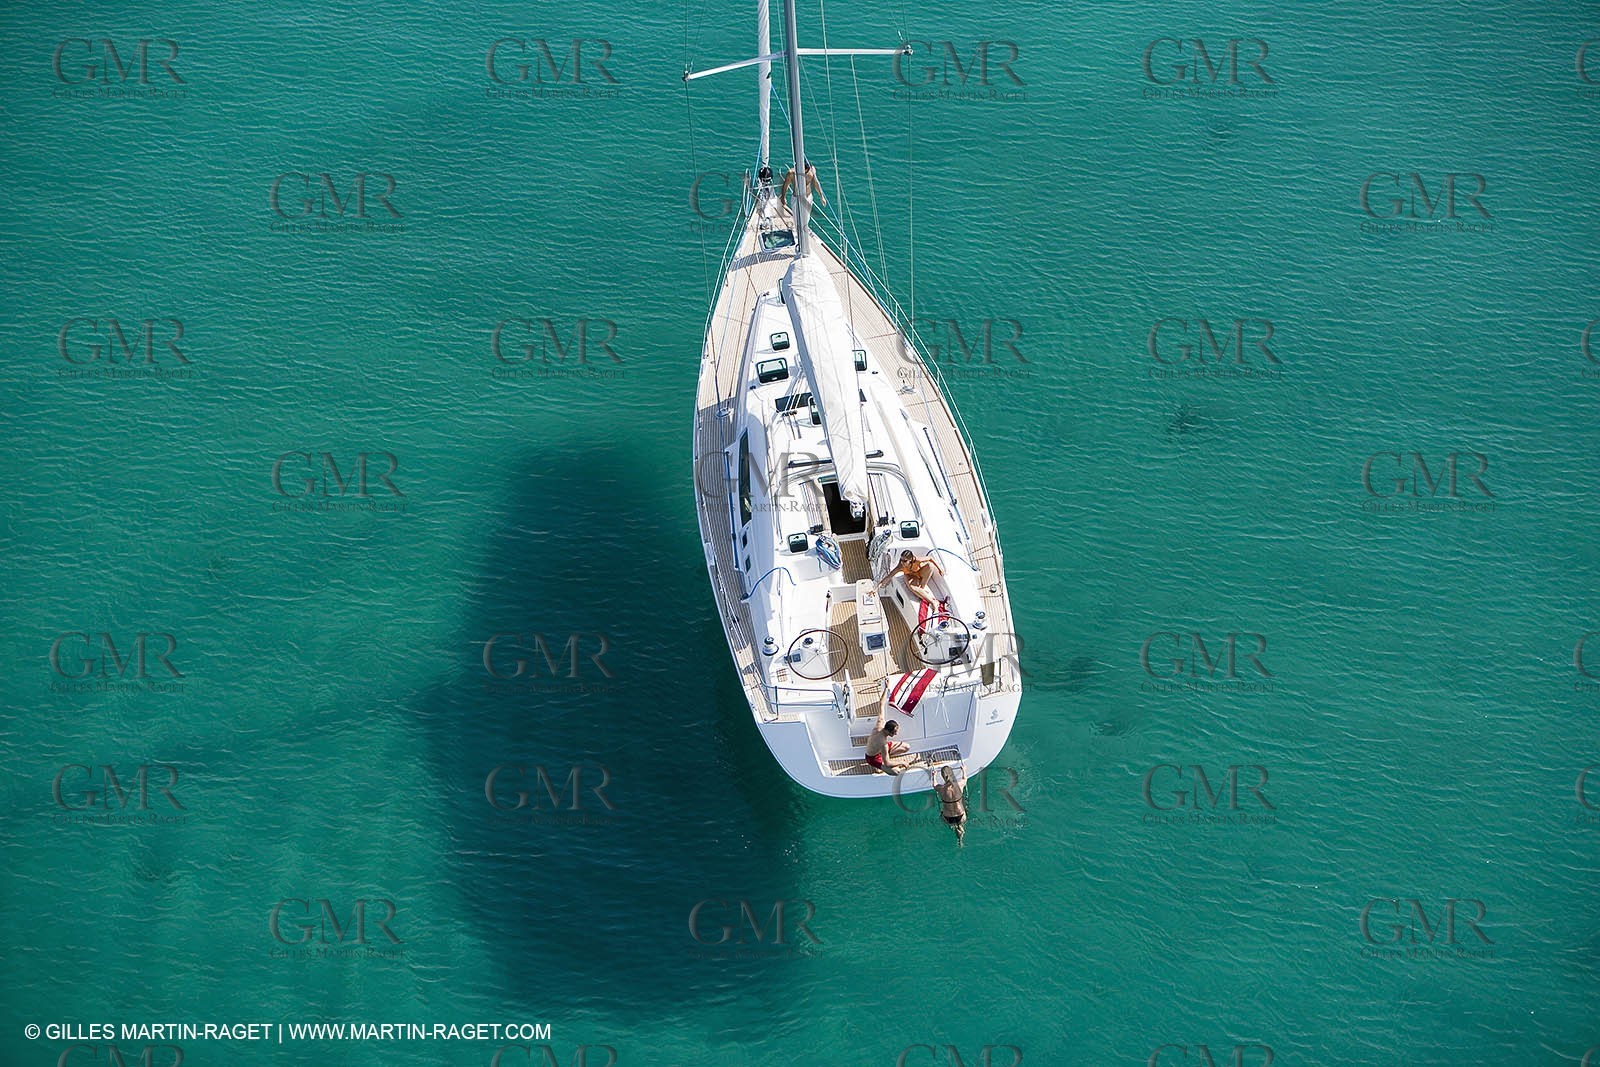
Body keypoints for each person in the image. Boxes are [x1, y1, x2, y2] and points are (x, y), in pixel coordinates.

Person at [877, 549, 944, 606]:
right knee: (913, 588)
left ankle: (922, 588)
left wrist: (940, 569)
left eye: (905, 561)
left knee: (930, 566)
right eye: (901, 560)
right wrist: (876, 588)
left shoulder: (917, 560)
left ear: (910, 560)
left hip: (917, 573)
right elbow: (889, 577)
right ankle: (932, 602)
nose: (902, 562)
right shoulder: (900, 567)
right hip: (909, 575)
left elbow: (930, 558)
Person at [933, 766, 968, 843]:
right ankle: (960, 838)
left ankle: (957, 830)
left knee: (953, 825)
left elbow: (934, 785)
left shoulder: (941, 788)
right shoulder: (959, 785)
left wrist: (934, 776)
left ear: (943, 777)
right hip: (961, 815)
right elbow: (965, 778)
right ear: (952, 774)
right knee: (960, 824)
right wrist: (964, 770)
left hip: (947, 817)